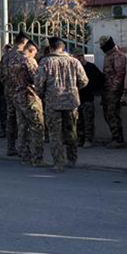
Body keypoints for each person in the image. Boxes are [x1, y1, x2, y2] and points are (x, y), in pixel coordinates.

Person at [35, 38, 88, 172]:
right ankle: (72, 159)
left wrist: (43, 94)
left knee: (55, 134)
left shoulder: (46, 61)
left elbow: (39, 83)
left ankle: (58, 163)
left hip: (53, 102)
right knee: (71, 132)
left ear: (51, 48)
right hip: (71, 102)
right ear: (62, 48)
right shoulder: (74, 61)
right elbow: (84, 81)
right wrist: (73, 89)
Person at [11, 40, 46, 166]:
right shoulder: (29, 61)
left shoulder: (14, 60)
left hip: (18, 96)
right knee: (37, 127)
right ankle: (38, 158)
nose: (36, 55)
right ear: (31, 50)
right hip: (30, 96)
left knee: (22, 127)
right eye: (35, 52)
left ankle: (25, 156)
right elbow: (37, 80)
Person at [1, 34, 30, 156]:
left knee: (11, 119)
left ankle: (10, 147)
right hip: (20, 91)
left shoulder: (6, 56)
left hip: (9, 91)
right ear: (24, 42)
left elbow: (1, 75)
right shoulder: (22, 56)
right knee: (22, 120)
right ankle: (23, 148)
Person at [99, 35, 127, 148]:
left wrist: (113, 90)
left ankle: (118, 139)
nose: (101, 47)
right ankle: (114, 137)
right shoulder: (108, 55)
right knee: (108, 114)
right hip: (107, 90)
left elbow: (119, 75)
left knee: (112, 114)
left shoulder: (118, 56)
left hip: (113, 91)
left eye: (102, 45)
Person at [73, 52, 105, 149]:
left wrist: (92, 89)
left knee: (88, 121)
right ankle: (80, 139)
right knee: (78, 121)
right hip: (76, 99)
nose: (79, 58)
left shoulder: (91, 67)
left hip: (87, 98)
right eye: (77, 56)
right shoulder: (72, 68)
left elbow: (100, 79)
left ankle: (88, 139)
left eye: (80, 56)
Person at [0, 44, 12, 138]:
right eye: (6, 50)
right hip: (2, 92)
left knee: (13, 114)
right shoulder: (1, 63)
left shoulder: (16, 62)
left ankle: (13, 132)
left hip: (13, 93)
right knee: (3, 112)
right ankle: (4, 131)